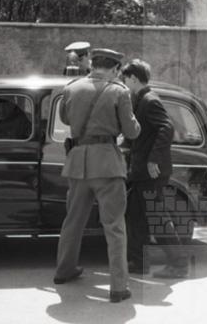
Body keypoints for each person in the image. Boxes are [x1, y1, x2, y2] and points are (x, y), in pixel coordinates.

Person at [53, 48, 141, 303]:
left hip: (78, 162)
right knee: (114, 227)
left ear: (92, 65)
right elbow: (132, 132)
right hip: (107, 165)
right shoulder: (119, 92)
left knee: (73, 221)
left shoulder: (71, 88)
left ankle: (64, 271)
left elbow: (65, 118)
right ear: (114, 68)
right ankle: (118, 288)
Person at [120, 59, 189, 279]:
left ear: (133, 78)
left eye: (125, 79)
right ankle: (138, 262)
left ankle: (179, 264)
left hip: (151, 172)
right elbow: (142, 134)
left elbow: (166, 128)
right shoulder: (141, 99)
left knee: (156, 217)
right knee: (135, 216)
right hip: (140, 172)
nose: (124, 84)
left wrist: (153, 160)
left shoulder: (150, 100)